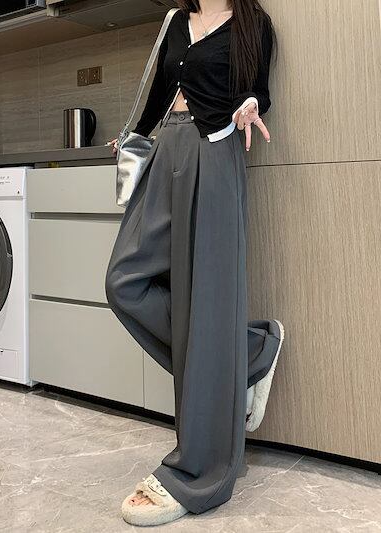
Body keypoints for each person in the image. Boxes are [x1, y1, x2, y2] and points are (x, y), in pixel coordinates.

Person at [105, 0, 284, 527]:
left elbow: (259, 91)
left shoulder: (253, 24)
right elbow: (159, 93)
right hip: (167, 153)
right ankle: (251, 350)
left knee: (205, 305)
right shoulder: (174, 22)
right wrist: (134, 137)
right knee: (124, 282)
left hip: (216, 152)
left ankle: (198, 469)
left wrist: (248, 105)